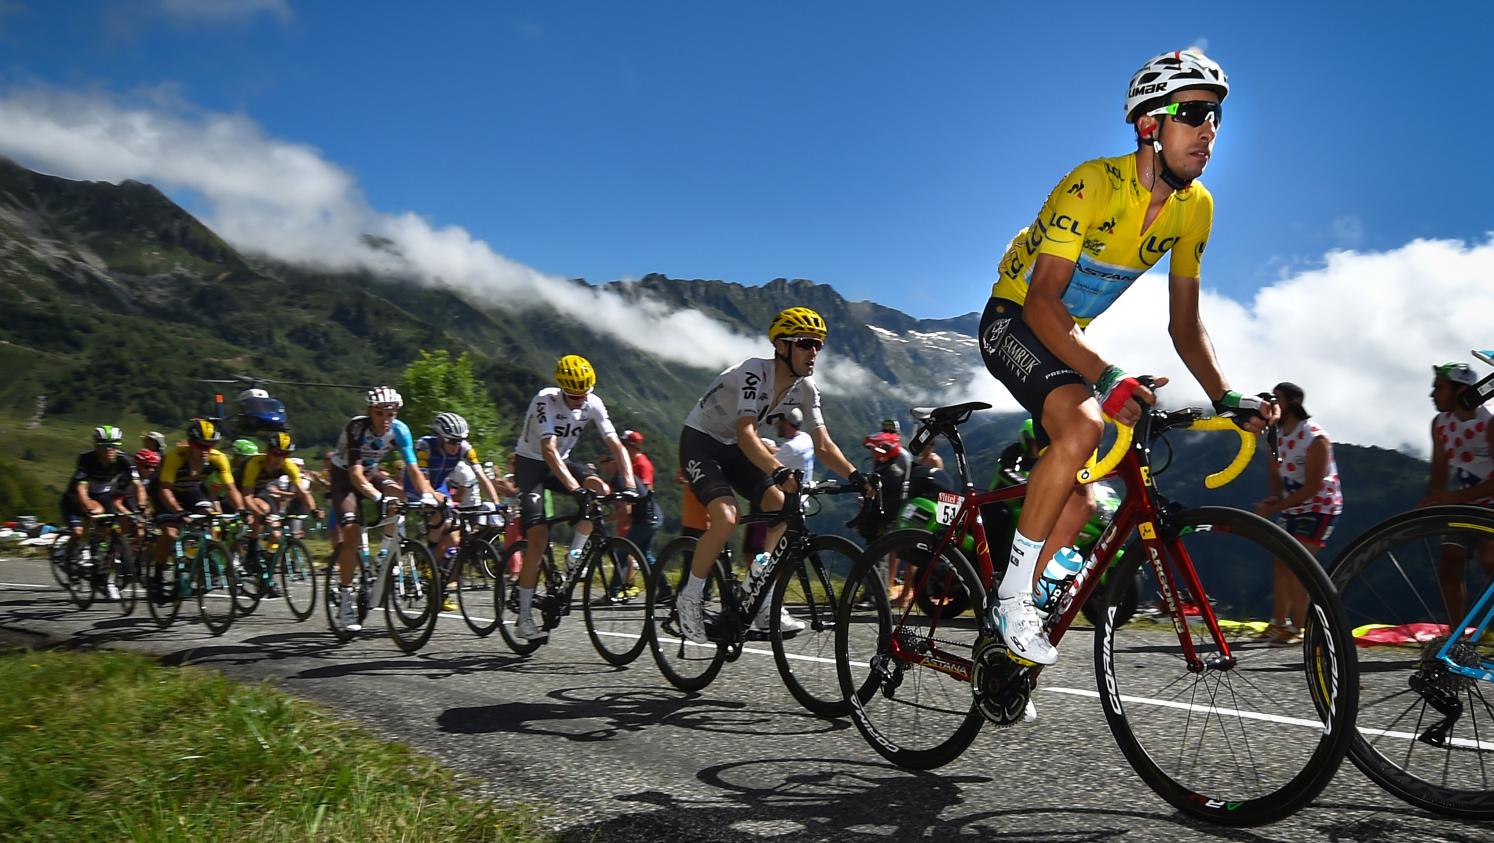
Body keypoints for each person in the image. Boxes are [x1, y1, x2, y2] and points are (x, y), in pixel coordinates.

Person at [977, 49, 1276, 666]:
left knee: (1080, 500)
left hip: (1065, 335)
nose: (1208, 130)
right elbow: (1042, 303)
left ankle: (1004, 657)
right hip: (1016, 319)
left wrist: (1225, 396)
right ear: (1149, 125)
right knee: (1084, 424)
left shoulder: (1196, 208)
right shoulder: (1092, 184)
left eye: (1216, 117)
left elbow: (1185, 324)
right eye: (1193, 113)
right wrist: (1106, 375)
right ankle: (1010, 599)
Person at [674, 306, 871, 643]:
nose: (814, 352)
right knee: (726, 517)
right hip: (701, 443)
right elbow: (747, 433)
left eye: (818, 345)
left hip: (735, 447)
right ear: (782, 346)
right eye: (806, 343)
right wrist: (778, 471)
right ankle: (689, 599)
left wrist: (857, 477)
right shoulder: (754, 372)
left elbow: (823, 445)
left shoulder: (806, 388)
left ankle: (761, 600)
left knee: (781, 508)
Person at [511, 355, 636, 643]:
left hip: (562, 461)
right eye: (574, 396)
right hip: (531, 465)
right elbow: (549, 449)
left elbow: (616, 444)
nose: (580, 401)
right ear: (562, 389)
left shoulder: (593, 402)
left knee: (600, 489)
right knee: (538, 539)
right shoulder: (545, 401)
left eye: (584, 395)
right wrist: (574, 488)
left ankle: (574, 554)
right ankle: (524, 618)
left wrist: (629, 483)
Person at [327, 387, 438, 632]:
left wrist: (428, 495)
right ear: (370, 411)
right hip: (345, 476)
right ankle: (345, 600)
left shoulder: (400, 430)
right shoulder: (357, 428)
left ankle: (385, 553)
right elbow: (355, 475)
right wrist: (378, 498)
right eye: (379, 413)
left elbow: (413, 470)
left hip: (371, 472)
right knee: (352, 533)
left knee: (399, 496)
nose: (385, 419)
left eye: (391, 414)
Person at [1253, 383, 1343, 645]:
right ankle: (1278, 623)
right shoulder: (1275, 435)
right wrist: (1274, 498)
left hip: (1320, 506)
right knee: (1281, 562)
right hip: (1292, 505)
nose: (1272, 403)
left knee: (1298, 565)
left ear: (1292, 402)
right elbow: (1275, 474)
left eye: (1277, 399)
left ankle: (1299, 628)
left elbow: (1313, 487)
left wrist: (1274, 508)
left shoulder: (1315, 438)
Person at [1420, 362, 1494, 628]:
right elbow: (1440, 470)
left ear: (1461, 390)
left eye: (1439, 388)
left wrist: (1452, 499)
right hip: (1465, 502)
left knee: (1490, 559)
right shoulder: (1440, 424)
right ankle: (1457, 635)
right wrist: (1431, 502)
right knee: (1449, 565)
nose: (1432, 394)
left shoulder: (1490, 422)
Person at [151, 419, 246, 585]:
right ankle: (157, 575)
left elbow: (231, 489)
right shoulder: (175, 457)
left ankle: (205, 558)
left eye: (210, 445)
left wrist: (242, 510)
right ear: (190, 443)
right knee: (170, 533)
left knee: (211, 517)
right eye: (200, 445)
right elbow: (165, 489)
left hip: (191, 490)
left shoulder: (218, 458)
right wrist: (178, 511)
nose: (205, 450)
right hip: (164, 491)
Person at [61, 426, 148, 598]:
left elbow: (139, 486)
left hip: (103, 495)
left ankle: (103, 562)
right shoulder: (87, 459)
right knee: (81, 529)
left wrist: (142, 507)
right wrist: (88, 507)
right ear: (96, 446)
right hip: (77, 497)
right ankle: (70, 556)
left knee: (116, 526)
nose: (109, 449)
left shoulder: (125, 460)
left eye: (113, 445)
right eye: (104, 446)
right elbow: (81, 489)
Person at [774, 408, 816, 482]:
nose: (776, 425)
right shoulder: (806, 438)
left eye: (779, 422)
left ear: (786, 423)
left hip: (792, 489)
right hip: (805, 485)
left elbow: (766, 462)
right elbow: (782, 451)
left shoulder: (791, 447)